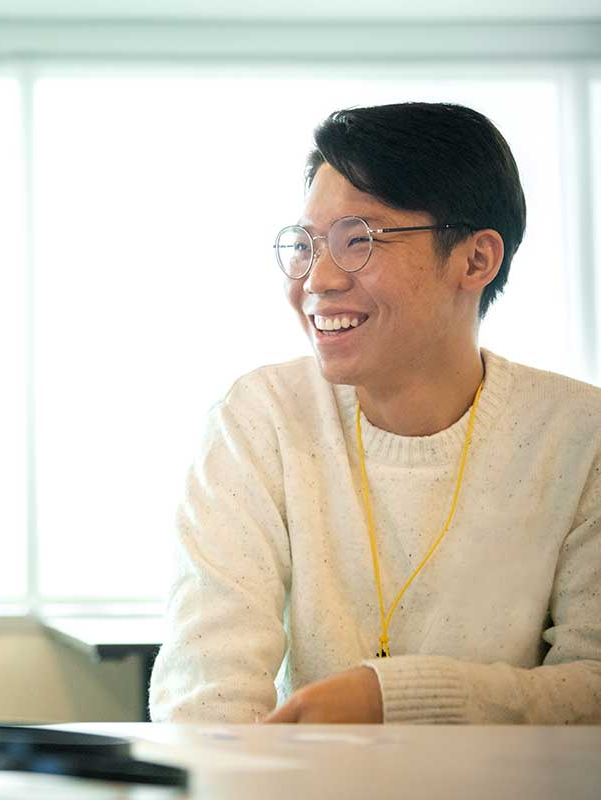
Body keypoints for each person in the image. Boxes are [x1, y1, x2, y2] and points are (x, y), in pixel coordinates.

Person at [149, 102, 600, 724]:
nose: (317, 279)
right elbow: (205, 697)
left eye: (358, 240)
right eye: (305, 244)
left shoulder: (580, 435)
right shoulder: (261, 420)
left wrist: (394, 697)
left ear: (476, 260)